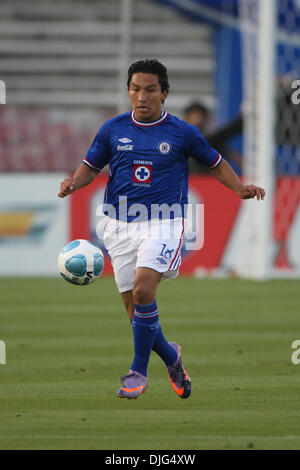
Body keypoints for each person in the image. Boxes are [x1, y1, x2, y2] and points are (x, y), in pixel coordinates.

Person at [58, 59, 265, 400]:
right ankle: (172, 357)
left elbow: (215, 162)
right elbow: (89, 167)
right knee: (134, 312)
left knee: (143, 293)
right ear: (128, 91)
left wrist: (239, 188)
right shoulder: (113, 129)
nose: (142, 96)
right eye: (136, 89)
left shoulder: (182, 133)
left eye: (150, 89)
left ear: (164, 93)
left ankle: (137, 372)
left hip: (164, 221)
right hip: (117, 224)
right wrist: (72, 183)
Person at [183, 102, 243, 174]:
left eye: (199, 115)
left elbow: (232, 156)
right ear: (187, 117)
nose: (197, 118)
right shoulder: (178, 138)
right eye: (194, 114)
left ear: (205, 118)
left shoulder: (213, 142)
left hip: (207, 179)